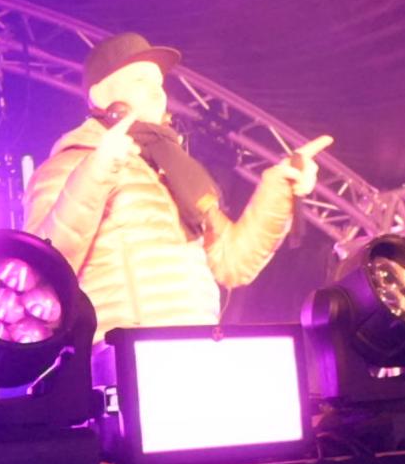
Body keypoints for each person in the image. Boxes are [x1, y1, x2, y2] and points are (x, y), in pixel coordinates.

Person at [24, 31, 332, 344]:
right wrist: (96, 170)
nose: (157, 92)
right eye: (141, 80)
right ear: (103, 97)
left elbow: (233, 262)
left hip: (195, 346)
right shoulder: (72, 164)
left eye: (159, 83)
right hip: (122, 351)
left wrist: (279, 188)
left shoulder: (174, 171)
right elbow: (42, 267)